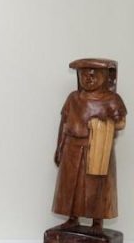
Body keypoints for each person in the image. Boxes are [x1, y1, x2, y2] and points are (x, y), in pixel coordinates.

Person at [52, 58, 126, 233]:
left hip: (97, 149)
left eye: (93, 75)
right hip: (71, 147)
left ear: (104, 76)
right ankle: (72, 218)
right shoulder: (73, 98)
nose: (88, 79)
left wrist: (105, 121)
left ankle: (97, 222)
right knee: (71, 185)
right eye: (84, 75)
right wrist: (59, 147)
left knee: (96, 186)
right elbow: (64, 123)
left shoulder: (111, 99)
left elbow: (121, 122)